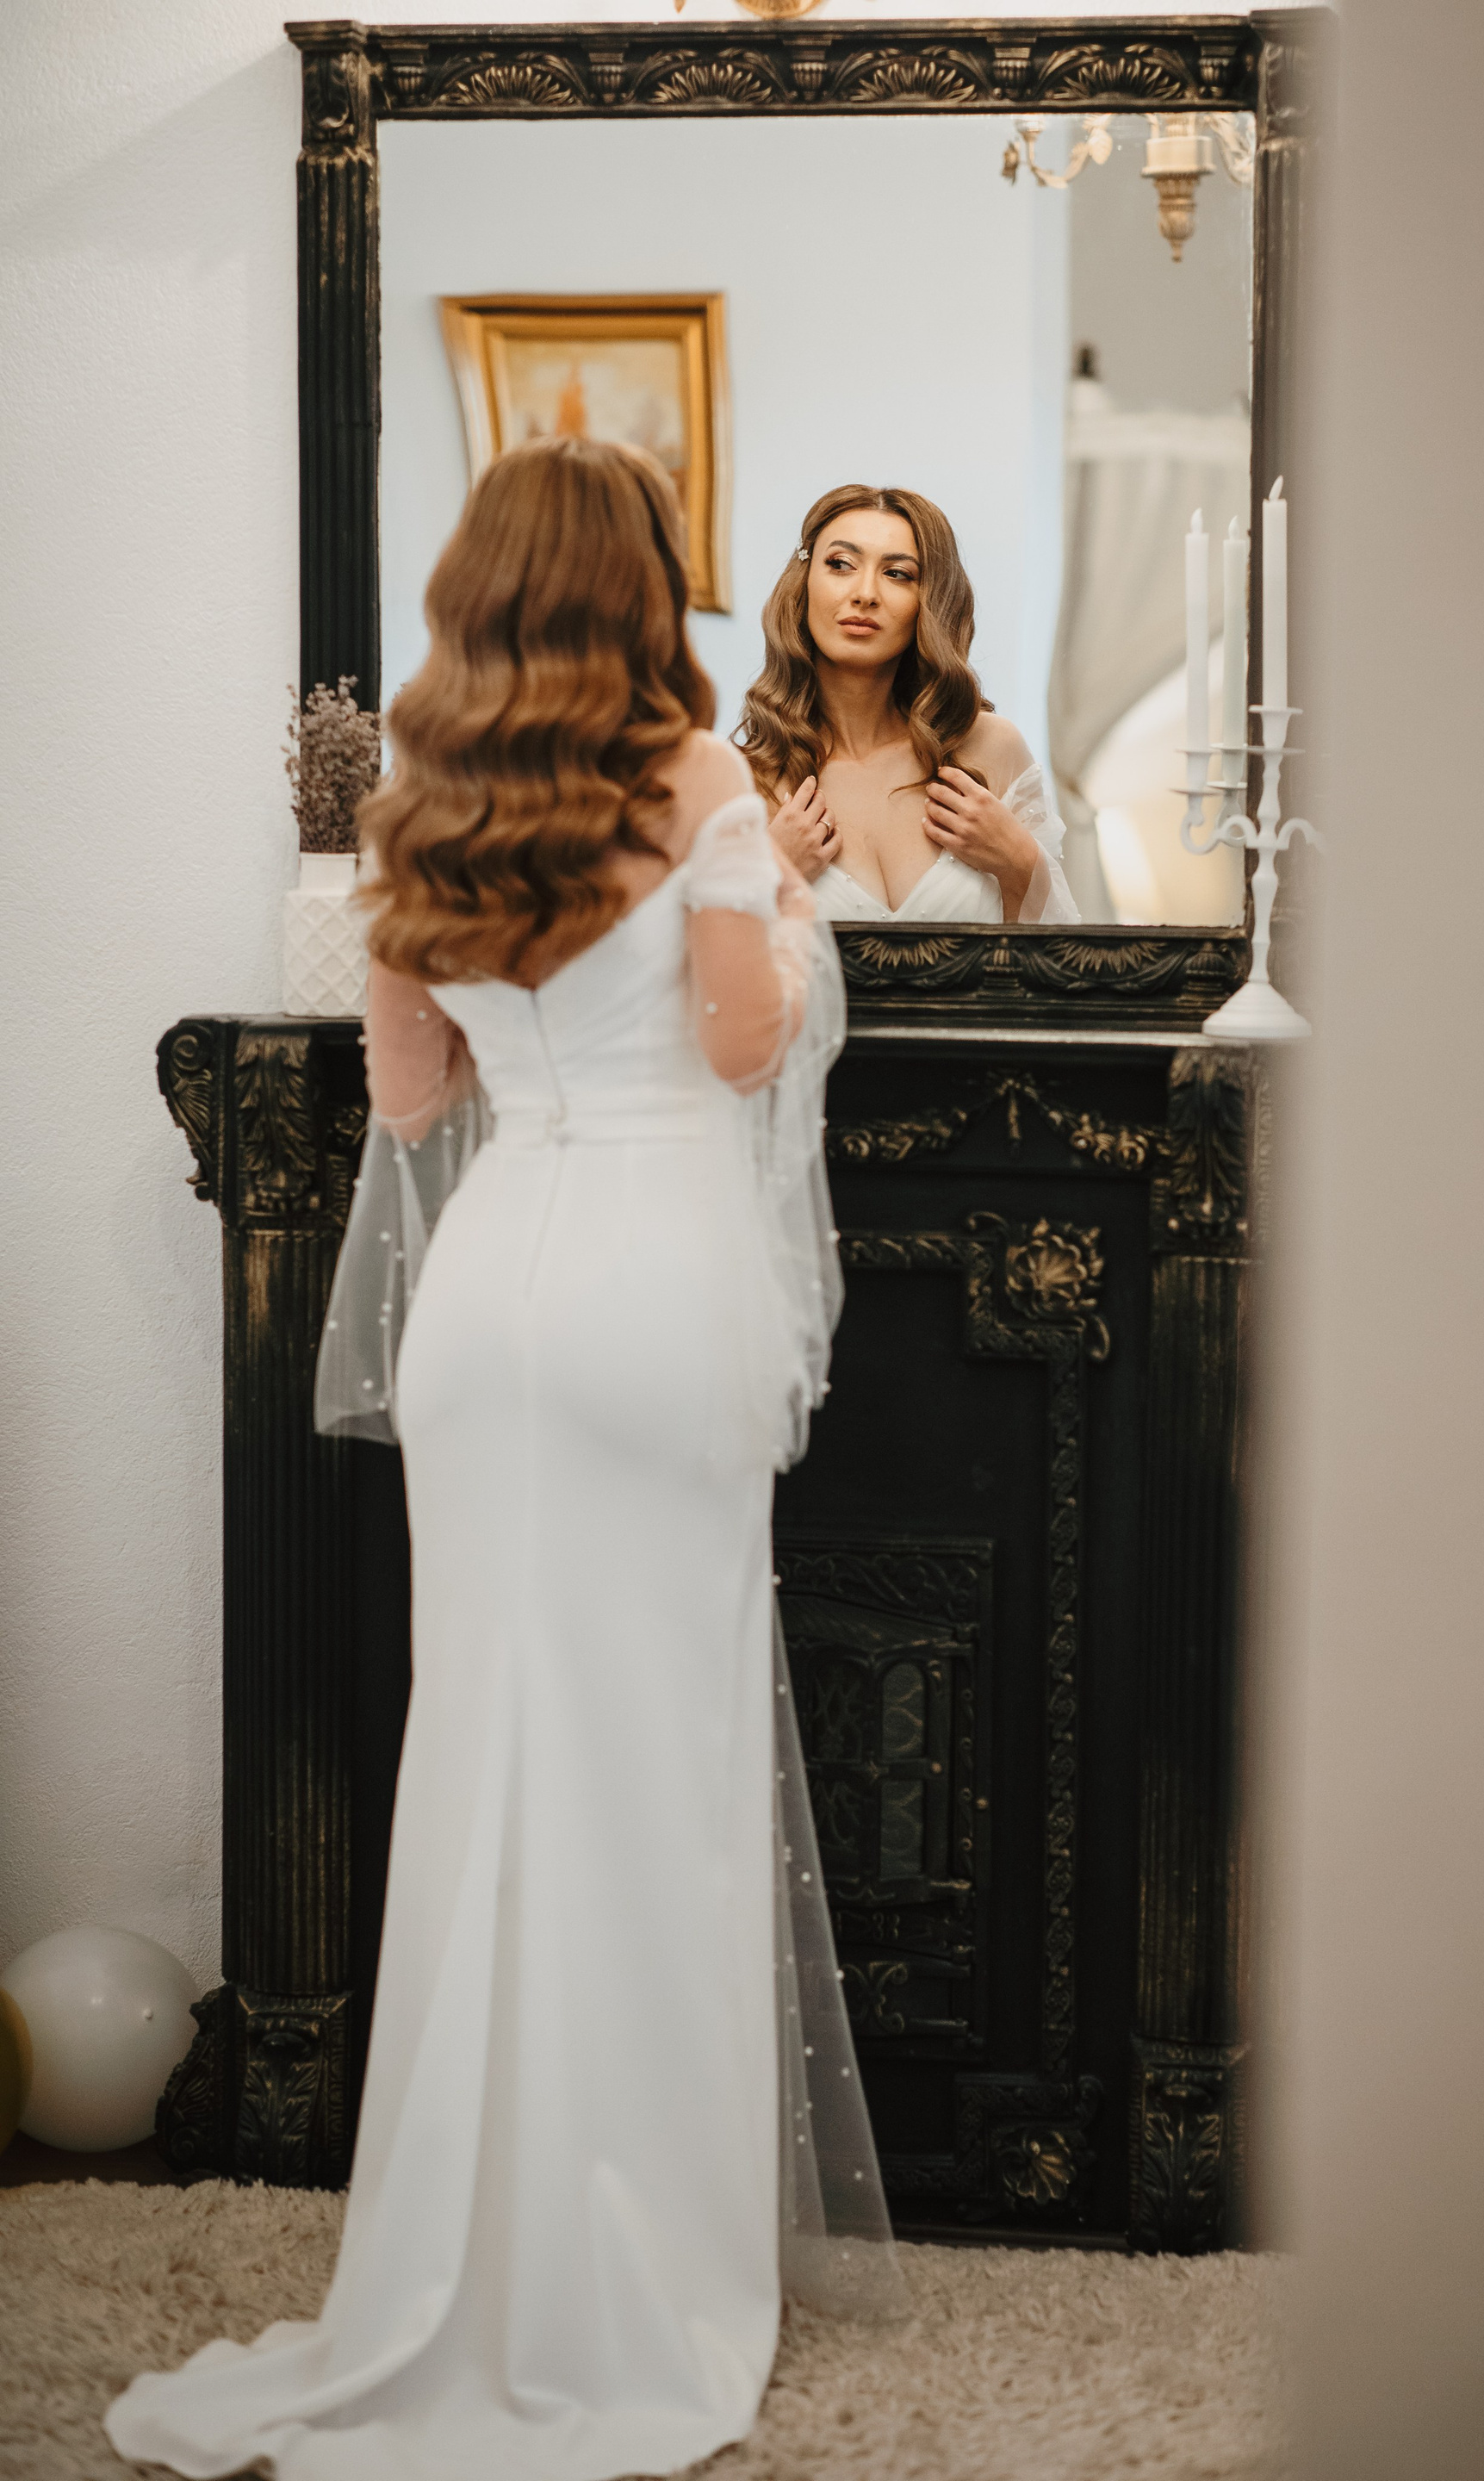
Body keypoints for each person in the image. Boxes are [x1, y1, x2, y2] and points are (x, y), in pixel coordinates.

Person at [106, 438, 901, 2481]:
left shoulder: (419, 806)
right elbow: (740, 1045)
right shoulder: (699, 780)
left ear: (476, 591)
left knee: (491, 1761)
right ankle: (632, 2262)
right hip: (654, 1285)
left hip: (491, 1302)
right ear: (638, 582)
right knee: (658, 1763)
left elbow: (409, 1093)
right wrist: (788, 911)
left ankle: (470, 2246)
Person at [737, 484, 1080, 925]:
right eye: (840, 564)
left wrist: (1018, 862)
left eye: (897, 573)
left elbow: (1062, 955)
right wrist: (769, 876)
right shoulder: (746, 780)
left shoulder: (990, 750)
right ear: (803, 583)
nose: (865, 593)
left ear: (930, 601)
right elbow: (703, 959)